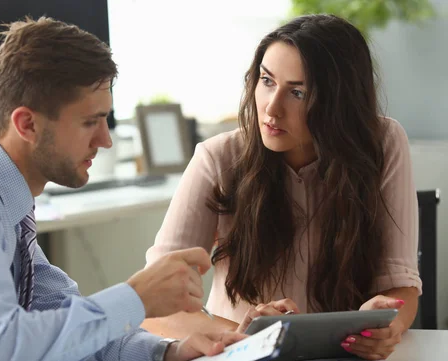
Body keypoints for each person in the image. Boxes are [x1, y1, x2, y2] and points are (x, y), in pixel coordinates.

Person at [0, 17, 247, 361]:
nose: (106, 141)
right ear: (27, 125)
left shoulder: (7, 208)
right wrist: (136, 297)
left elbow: (65, 327)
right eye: (91, 122)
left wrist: (167, 352)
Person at [146, 14, 421, 361]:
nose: (271, 109)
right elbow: (155, 305)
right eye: (266, 80)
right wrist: (242, 334)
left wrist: (388, 325)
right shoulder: (218, 157)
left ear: (339, 100)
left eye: (298, 92)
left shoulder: (383, 143)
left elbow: (402, 285)